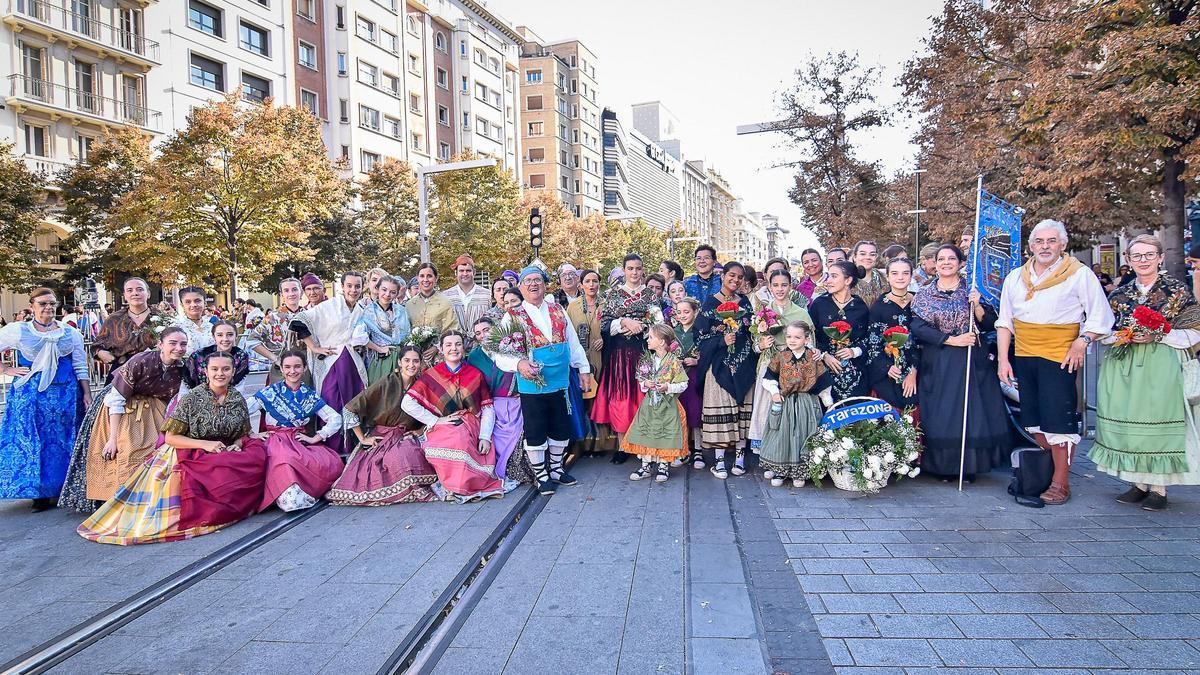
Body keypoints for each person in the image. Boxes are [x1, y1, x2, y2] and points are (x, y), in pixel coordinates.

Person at [78, 351, 268, 545]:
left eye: (226, 369)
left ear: (233, 371)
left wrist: (236, 445)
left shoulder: (237, 399)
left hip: (221, 451)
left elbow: (242, 433)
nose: (220, 373)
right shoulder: (191, 398)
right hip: (190, 448)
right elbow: (171, 437)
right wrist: (205, 445)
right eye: (215, 369)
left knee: (255, 458)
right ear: (206, 371)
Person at [996, 220, 1113, 505]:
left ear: (1062, 244)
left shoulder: (1078, 274)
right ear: (1030, 246)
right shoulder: (1015, 277)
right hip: (1024, 355)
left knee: (1058, 419)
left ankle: (1061, 482)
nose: (1045, 246)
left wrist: (1082, 341)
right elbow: (1005, 322)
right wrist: (1002, 360)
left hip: (1060, 356)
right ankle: (1045, 472)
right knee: (1034, 419)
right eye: (1039, 241)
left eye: (1051, 241)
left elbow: (1101, 316)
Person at [1091, 234, 1200, 511]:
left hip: (1160, 362)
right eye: (1137, 256)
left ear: (1160, 257)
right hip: (1125, 362)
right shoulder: (1119, 294)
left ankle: (1159, 488)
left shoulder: (1177, 291)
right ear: (1128, 260)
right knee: (1130, 422)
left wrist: (1159, 335)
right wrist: (1123, 336)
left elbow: (1194, 331)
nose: (1143, 261)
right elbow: (1104, 330)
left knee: (1157, 420)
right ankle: (1138, 483)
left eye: (1149, 255)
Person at [59, 329, 189, 513]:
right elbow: (116, 399)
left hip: (153, 408)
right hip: (120, 407)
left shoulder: (181, 368)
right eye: (173, 343)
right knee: (124, 448)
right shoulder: (141, 361)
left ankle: (152, 495)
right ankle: (118, 499)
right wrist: (112, 439)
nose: (178, 348)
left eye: (183, 344)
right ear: (161, 344)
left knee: (159, 449)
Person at [911, 244, 1009, 482]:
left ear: (961, 262)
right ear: (934, 263)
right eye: (941, 258)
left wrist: (977, 307)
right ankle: (943, 467)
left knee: (970, 411)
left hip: (971, 360)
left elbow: (990, 324)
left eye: (951, 258)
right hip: (939, 359)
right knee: (943, 412)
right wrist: (951, 340)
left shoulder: (972, 290)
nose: (946, 262)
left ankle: (969, 466)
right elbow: (917, 327)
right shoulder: (924, 293)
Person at [492, 265, 593, 495]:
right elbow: (498, 353)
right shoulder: (513, 315)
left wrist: (584, 368)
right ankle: (541, 474)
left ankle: (557, 469)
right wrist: (519, 364)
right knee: (536, 428)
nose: (533, 285)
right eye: (528, 281)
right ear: (520, 287)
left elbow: (573, 342)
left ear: (545, 283)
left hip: (560, 380)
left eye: (538, 280)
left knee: (560, 425)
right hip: (532, 382)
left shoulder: (558, 309)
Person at [0, 288, 91, 511]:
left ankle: (64, 487)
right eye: (43, 303)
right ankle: (38, 493)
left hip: (66, 396)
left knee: (64, 440)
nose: (48, 307)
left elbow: (80, 365)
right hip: (31, 396)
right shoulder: (19, 331)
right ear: (32, 306)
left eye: (51, 303)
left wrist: (87, 393)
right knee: (34, 440)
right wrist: (6, 369)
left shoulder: (71, 334)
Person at [326, 346, 439, 506]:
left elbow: (433, 414)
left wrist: (418, 431)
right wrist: (363, 438)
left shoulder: (422, 385)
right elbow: (350, 408)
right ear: (399, 362)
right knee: (392, 461)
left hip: (406, 436)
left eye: (415, 361)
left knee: (410, 453)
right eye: (407, 360)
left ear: (420, 363)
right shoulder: (386, 382)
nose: (411, 365)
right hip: (382, 436)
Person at [401, 331, 502, 501]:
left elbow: (488, 408)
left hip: (470, 423)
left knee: (460, 438)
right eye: (448, 345)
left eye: (458, 344)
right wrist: (435, 420)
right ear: (441, 349)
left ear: (464, 348)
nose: (453, 348)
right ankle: (451, 485)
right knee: (445, 439)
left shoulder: (475, 374)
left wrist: (485, 437)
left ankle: (462, 486)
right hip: (443, 425)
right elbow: (407, 403)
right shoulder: (432, 374)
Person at [244, 350, 343, 512]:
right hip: (276, 439)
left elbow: (335, 419)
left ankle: (302, 491)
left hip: (297, 440)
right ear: (281, 369)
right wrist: (250, 433)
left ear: (304, 368)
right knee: (284, 459)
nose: (292, 371)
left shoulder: (310, 396)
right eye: (287, 367)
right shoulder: (270, 392)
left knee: (331, 462)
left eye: (297, 366)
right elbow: (242, 410)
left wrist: (316, 438)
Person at [291, 272, 368, 455]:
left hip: (353, 365)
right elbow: (299, 321)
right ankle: (331, 452)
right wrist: (315, 347)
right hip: (332, 364)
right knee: (332, 402)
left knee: (354, 403)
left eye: (357, 286)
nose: (353, 290)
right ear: (342, 287)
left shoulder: (360, 309)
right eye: (349, 286)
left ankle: (355, 449)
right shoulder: (330, 306)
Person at [592, 255, 659, 460]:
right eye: (630, 268)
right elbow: (604, 324)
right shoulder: (613, 294)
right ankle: (622, 446)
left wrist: (640, 327)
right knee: (620, 399)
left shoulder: (650, 294)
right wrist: (624, 322)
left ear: (643, 270)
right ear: (624, 270)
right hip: (619, 353)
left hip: (643, 351)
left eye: (638, 268)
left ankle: (643, 445)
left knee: (643, 398)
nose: (634, 272)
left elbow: (659, 322)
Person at [695, 262, 756, 478]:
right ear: (723, 275)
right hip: (718, 366)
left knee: (742, 410)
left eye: (740, 277)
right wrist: (721, 340)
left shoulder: (746, 302)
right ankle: (719, 460)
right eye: (732, 275)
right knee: (721, 409)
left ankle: (740, 456)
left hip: (744, 363)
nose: (736, 280)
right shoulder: (710, 303)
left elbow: (753, 330)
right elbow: (699, 336)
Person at [749, 269, 812, 453]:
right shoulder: (763, 312)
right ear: (769, 287)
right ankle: (767, 451)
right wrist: (761, 344)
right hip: (769, 363)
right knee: (767, 405)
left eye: (784, 285)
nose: (780, 289)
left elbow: (810, 342)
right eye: (775, 285)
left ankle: (788, 451)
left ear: (790, 286)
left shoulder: (800, 312)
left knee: (790, 407)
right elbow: (754, 345)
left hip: (794, 365)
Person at [759, 321, 827, 488]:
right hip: (785, 401)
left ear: (806, 338)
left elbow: (824, 382)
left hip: (806, 402)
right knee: (782, 434)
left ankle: (800, 471)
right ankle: (780, 470)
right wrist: (774, 392)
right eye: (789, 336)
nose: (792, 340)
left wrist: (828, 402)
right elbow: (768, 377)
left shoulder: (813, 356)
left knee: (804, 433)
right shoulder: (781, 356)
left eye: (797, 337)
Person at [467, 318, 532, 482]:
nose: (483, 335)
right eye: (478, 333)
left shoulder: (509, 348)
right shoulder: (474, 357)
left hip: (517, 403)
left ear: (495, 330)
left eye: (486, 330)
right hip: (492, 406)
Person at [623, 324, 689, 482]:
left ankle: (663, 466)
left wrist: (668, 387)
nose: (648, 339)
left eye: (651, 337)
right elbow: (641, 380)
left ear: (661, 342)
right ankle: (645, 465)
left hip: (668, 406)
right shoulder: (648, 359)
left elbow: (683, 383)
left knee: (666, 434)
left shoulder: (673, 361)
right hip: (650, 405)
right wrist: (646, 385)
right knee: (647, 432)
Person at [809, 261, 871, 400]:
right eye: (828, 276)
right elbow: (810, 337)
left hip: (855, 375)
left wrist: (854, 351)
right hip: (824, 374)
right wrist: (824, 355)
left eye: (834, 276)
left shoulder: (860, 306)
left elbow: (869, 337)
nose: (828, 281)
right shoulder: (819, 304)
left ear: (848, 280)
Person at [867, 258, 921, 412]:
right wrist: (887, 367)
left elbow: (924, 341)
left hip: (918, 370)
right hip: (888, 372)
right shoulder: (879, 306)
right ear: (888, 277)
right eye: (895, 273)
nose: (900, 277)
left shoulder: (919, 301)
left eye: (905, 273)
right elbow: (873, 343)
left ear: (911, 276)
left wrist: (913, 371)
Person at [93, 277, 164, 382]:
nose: (135, 293)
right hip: (121, 373)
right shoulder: (114, 319)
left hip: (155, 373)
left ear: (148, 294)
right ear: (125, 296)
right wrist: (102, 353)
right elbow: (97, 345)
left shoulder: (162, 318)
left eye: (140, 289)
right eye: (130, 290)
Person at [565, 270, 605, 454]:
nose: (591, 285)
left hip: (600, 357)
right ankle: (583, 443)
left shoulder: (606, 305)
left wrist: (604, 338)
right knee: (582, 400)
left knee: (599, 400)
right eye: (587, 281)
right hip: (580, 359)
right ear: (581, 284)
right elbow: (567, 333)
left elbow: (613, 328)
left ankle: (602, 443)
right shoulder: (572, 307)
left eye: (595, 281)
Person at [356, 275, 412, 385]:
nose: (387, 295)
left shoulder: (401, 311)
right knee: (380, 393)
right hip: (380, 359)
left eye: (392, 292)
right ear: (377, 289)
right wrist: (379, 349)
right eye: (384, 290)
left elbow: (408, 335)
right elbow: (359, 337)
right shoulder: (368, 311)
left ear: (396, 294)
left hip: (401, 358)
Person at [251, 277, 306, 385]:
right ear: (281, 295)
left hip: (306, 372)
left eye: (294, 289)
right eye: (286, 290)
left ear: (301, 292)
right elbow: (252, 340)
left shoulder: (310, 315)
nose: (291, 293)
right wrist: (274, 358)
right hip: (280, 373)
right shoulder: (272, 317)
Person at [672, 297, 704, 466]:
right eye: (679, 312)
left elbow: (708, 352)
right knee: (680, 412)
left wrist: (697, 361)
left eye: (687, 311)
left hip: (694, 376)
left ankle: (698, 449)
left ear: (694, 312)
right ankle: (683, 450)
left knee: (695, 410)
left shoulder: (700, 332)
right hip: (677, 378)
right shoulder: (673, 332)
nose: (683, 315)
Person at [184, 321, 251, 394]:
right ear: (214, 336)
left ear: (236, 336)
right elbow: (187, 382)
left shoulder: (241, 356)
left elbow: (238, 386)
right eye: (220, 335)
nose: (225, 339)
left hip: (230, 398)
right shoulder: (198, 355)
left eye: (230, 335)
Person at [406, 263, 461, 344]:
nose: (425, 280)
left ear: (436, 278)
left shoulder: (445, 302)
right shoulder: (410, 305)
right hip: (415, 352)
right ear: (418, 278)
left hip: (440, 351)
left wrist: (437, 347)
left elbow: (452, 329)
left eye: (429, 276)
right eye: (422, 276)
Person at [443, 254, 491, 332]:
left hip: (481, 341)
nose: (465, 274)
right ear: (456, 273)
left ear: (474, 272)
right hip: (455, 341)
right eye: (461, 271)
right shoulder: (446, 296)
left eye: (468, 270)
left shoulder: (486, 295)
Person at [172, 286, 214, 355]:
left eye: (197, 301)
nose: (193, 305)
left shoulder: (212, 327)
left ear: (205, 303)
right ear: (182, 305)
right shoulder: (176, 328)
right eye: (188, 302)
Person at [851, 241, 887, 307]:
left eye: (872, 254)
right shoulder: (846, 278)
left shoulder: (886, 279)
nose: (868, 257)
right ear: (855, 257)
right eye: (863, 254)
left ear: (876, 257)